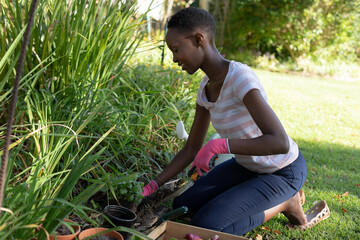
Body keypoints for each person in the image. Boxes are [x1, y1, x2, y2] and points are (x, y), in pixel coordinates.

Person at [141, 7, 329, 236]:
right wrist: (153, 185)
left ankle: (286, 202)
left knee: (204, 226)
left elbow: (280, 142)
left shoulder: (240, 78)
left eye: (176, 49)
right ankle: (264, 197)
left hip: (282, 170)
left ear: (199, 39)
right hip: (247, 166)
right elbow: (191, 149)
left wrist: (219, 145)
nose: (173, 58)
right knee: (184, 206)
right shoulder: (205, 89)